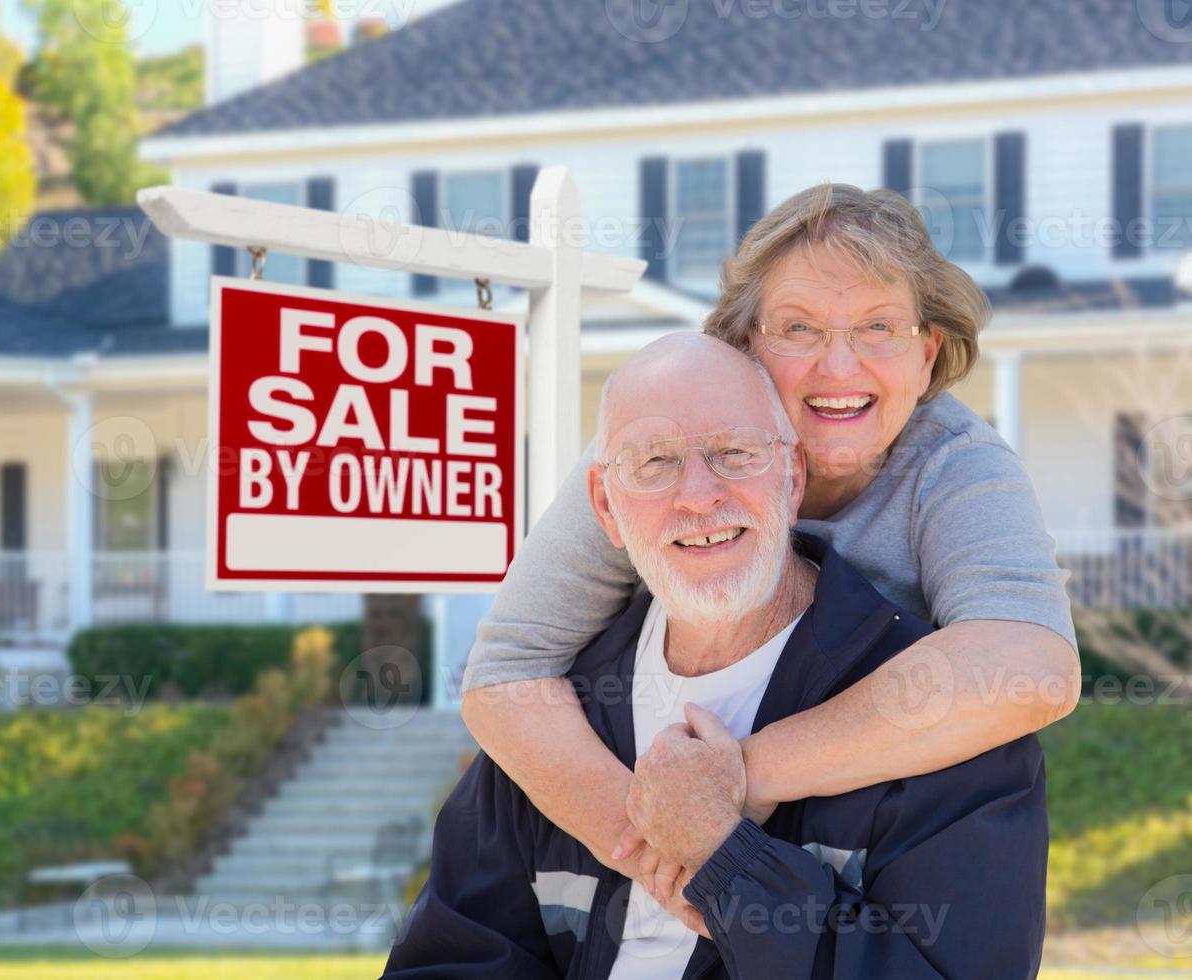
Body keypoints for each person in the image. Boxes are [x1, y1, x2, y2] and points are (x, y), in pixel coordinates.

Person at [459, 184, 1078, 904]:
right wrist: (658, 852)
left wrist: (737, 777)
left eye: (878, 327)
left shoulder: (954, 463)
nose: (838, 368)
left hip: (867, 851)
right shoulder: (650, 449)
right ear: (743, 346)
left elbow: (1029, 666)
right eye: (798, 328)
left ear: (926, 352)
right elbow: (505, 671)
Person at [383, 333, 1048, 979]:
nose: (697, 495)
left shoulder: (942, 724)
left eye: (733, 452)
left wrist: (728, 865)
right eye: (653, 462)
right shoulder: (557, 722)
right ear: (604, 508)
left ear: (791, 479)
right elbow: (452, 957)